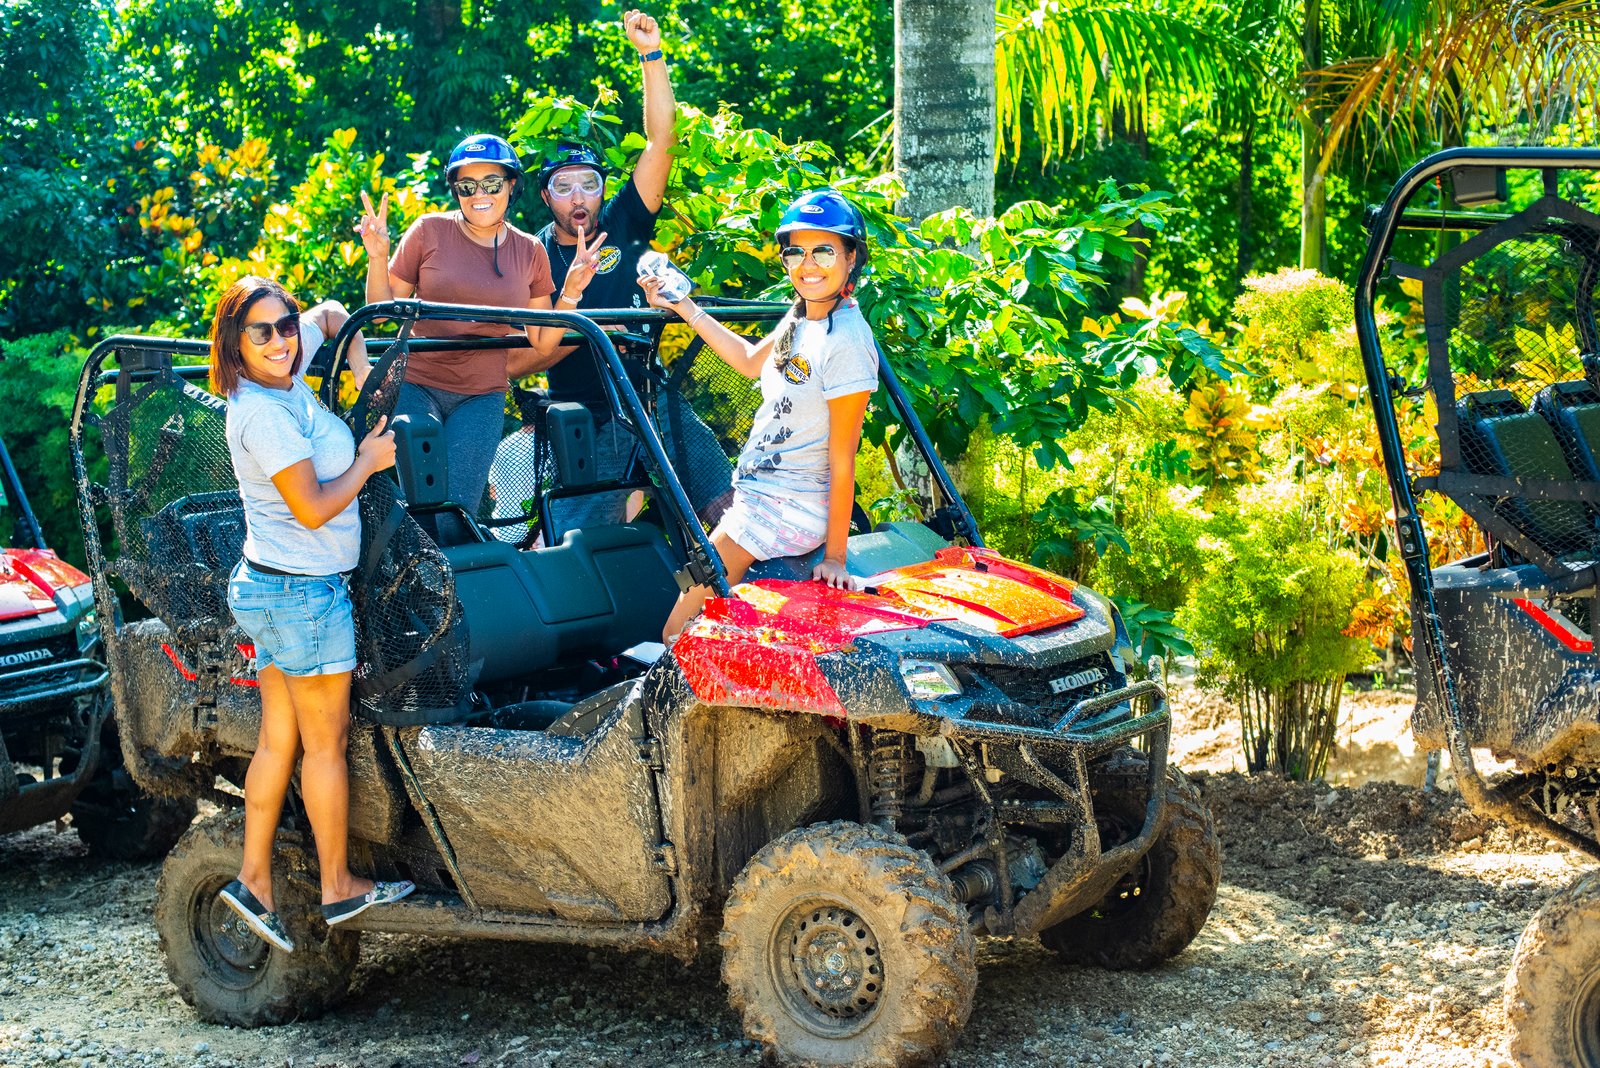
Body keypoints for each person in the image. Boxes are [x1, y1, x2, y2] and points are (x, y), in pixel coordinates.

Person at [208, 276, 414, 952]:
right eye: (261, 331)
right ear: (235, 344)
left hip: (272, 586)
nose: (280, 340)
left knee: (278, 741)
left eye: (285, 325)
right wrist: (366, 460)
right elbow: (315, 506)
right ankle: (337, 887)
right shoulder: (263, 414)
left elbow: (329, 315)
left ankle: (253, 881)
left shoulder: (283, 376)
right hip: (304, 594)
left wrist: (334, 332)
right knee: (323, 745)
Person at [522, 10, 732, 532]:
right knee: (578, 544)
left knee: (727, 509)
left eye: (589, 184)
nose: (578, 197)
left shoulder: (624, 223)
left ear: (602, 189)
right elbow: (522, 358)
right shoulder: (532, 253)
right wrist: (593, 331)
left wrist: (651, 54)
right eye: (564, 186)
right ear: (546, 195)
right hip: (583, 417)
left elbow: (662, 139)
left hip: (651, 399)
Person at [640, 190, 879, 640]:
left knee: (676, 630)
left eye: (824, 250)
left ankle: (663, 698)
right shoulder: (802, 317)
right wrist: (685, 307)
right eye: (797, 251)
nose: (808, 264)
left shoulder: (845, 339)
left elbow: (843, 456)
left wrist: (836, 558)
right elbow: (751, 360)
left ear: (851, 258)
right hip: (761, 496)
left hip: (785, 505)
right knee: (694, 579)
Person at [354, 134, 607, 538]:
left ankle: (449, 592)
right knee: (420, 492)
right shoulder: (428, 231)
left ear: (511, 186)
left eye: (491, 183)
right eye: (467, 187)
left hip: (482, 394)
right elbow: (382, 318)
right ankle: (404, 586)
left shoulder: (529, 251)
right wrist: (377, 255)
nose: (479, 195)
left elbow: (543, 342)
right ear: (456, 191)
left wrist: (572, 292)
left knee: (457, 509)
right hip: (419, 384)